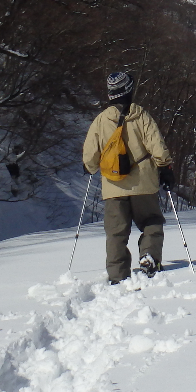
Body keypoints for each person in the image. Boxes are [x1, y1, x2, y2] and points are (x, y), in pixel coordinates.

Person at [82, 71, 177, 285]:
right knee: (151, 221)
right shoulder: (140, 115)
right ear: (129, 90)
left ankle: (117, 275)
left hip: (113, 185)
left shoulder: (100, 120)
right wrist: (165, 167)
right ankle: (149, 257)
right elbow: (157, 145)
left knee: (116, 232)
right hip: (143, 182)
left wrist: (89, 168)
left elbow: (90, 157)